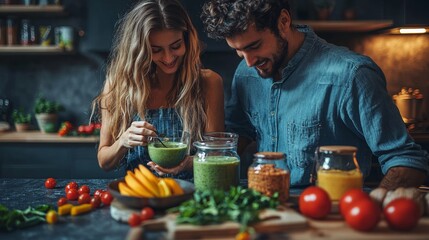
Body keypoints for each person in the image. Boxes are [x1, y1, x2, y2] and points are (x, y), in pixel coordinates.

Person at [201, 0, 428, 189]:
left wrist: (374, 206)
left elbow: (406, 161)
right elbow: (237, 135)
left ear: (283, 22)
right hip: (263, 209)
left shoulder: (351, 76)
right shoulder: (246, 74)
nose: (248, 62)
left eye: (254, 46)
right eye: (238, 51)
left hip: (328, 213)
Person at [91, 0, 224, 179]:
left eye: (176, 46)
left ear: (187, 39)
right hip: (140, 196)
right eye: (156, 50)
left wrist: (186, 164)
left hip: (191, 197)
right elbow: (103, 161)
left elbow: (216, 154)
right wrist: (123, 141)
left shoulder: (208, 82)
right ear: (139, 50)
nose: (168, 58)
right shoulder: (118, 85)